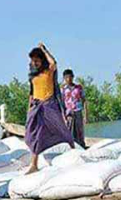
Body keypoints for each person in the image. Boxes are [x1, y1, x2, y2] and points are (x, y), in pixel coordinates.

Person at [24, 43, 74, 174]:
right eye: (32, 60)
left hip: (49, 106)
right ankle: (34, 165)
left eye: (36, 60)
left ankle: (74, 152)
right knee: (33, 135)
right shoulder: (33, 76)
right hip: (37, 107)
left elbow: (54, 62)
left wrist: (44, 50)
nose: (34, 63)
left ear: (42, 60)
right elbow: (31, 92)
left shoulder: (49, 71)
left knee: (61, 129)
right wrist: (29, 109)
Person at [61, 69, 88, 148]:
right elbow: (62, 104)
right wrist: (63, 116)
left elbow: (84, 101)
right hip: (69, 114)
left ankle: (82, 147)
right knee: (70, 132)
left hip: (78, 112)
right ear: (64, 78)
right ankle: (71, 148)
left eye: (70, 77)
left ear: (73, 77)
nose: (68, 79)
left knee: (80, 132)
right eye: (66, 78)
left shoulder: (78, 88)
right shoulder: (63, 89)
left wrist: (86, 116)